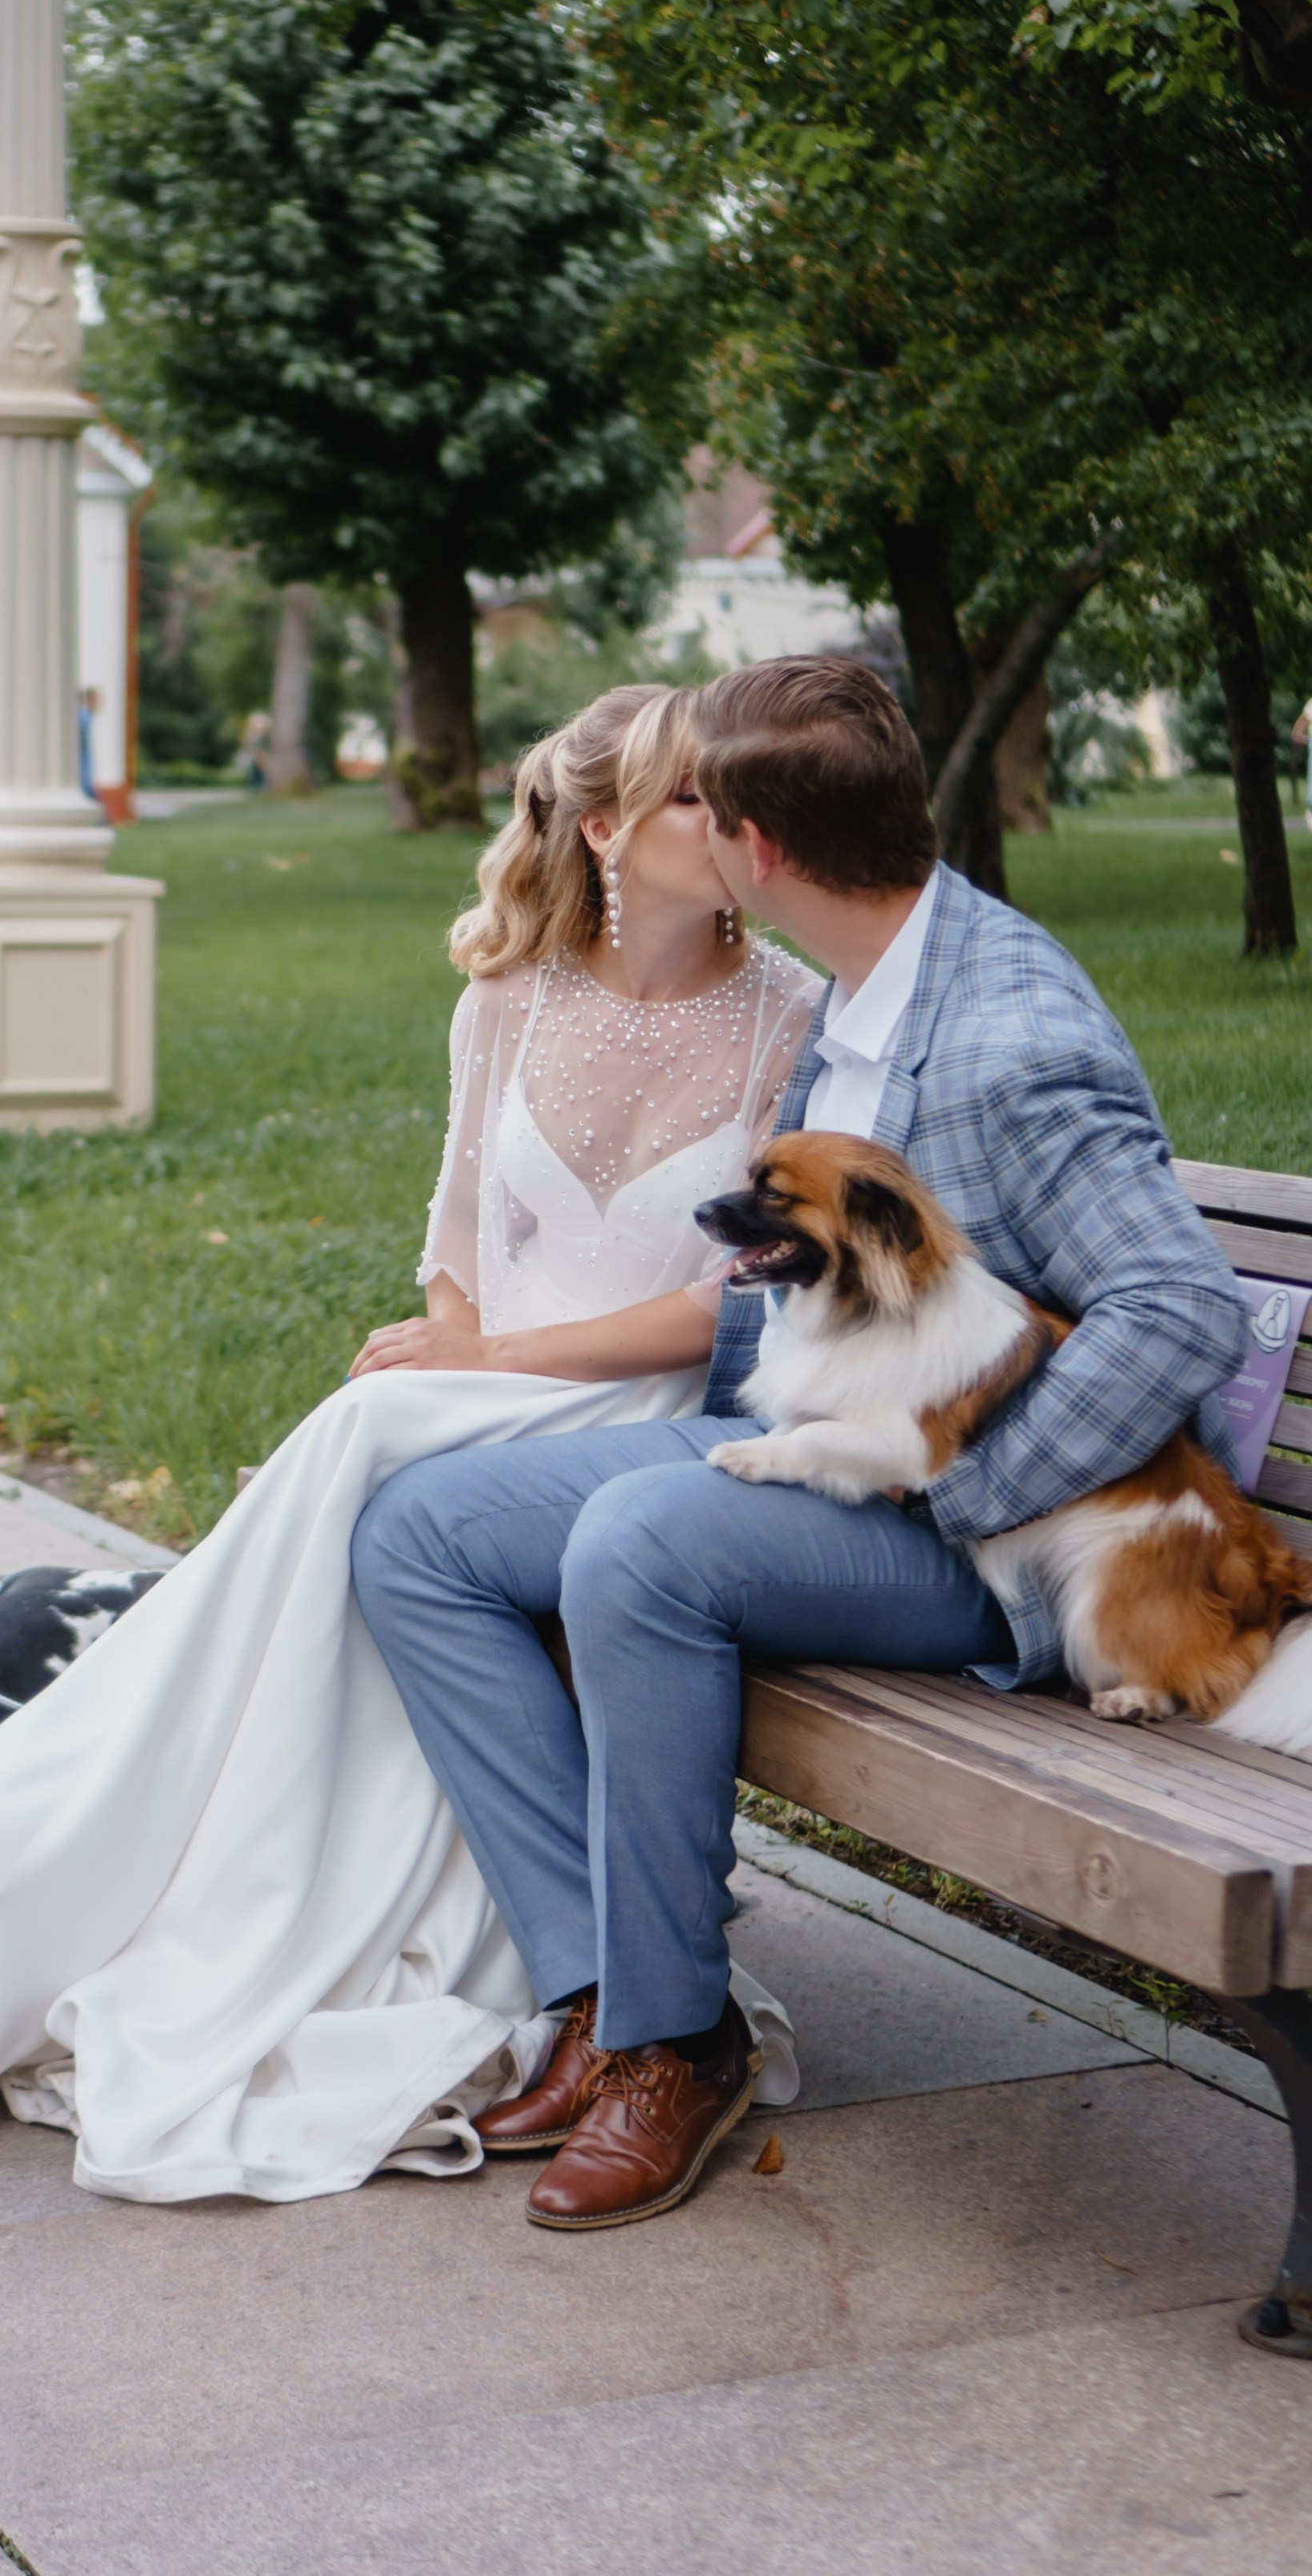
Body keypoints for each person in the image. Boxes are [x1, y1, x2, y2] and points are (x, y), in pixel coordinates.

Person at [0, 684, 821, 2201]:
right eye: (686, 803)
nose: (728, 828)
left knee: (370, 1428)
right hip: (476, 1389)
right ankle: (67, 1848)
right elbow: (453, 1248)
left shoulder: (790, 1018)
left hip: (640, 1416)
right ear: (601, 830)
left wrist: (484, 1359)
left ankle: (129, 1747)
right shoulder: (506, 998)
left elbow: (734, 1309)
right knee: (383, 1435)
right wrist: (465, 1344)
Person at [353, 654, 1253, 2232]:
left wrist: (971, 1482)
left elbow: (1180, 1309)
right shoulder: (863, 979)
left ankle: (661, 2047)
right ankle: (603, 1990)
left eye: (700, 796)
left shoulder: (1004, 1028)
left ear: (759, 849)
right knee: (416, 1531)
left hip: (979, 1545)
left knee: (643, 1543)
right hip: (806, 1456)